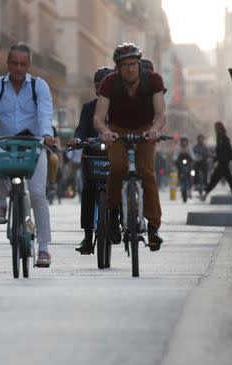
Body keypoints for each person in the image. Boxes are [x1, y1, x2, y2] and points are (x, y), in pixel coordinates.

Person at [0, 43, 58, 266]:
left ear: (29, 65)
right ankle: (2, 202)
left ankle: (43, 248)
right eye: (14, 63)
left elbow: (45, 113)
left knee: (38, 194)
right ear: (8, 63)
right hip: (6, 143)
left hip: (33, 143)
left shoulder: (38, 86)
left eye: (23, 64)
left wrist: (46, 135)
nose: (18, 68)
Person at [93, 43, 167, 251]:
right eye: (125, 65)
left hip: (145, 129)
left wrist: (155, 130)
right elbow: (98, 119)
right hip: (117, 130)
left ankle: (153, 228)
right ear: (117, 67)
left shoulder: (153, 80)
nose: (130, 69)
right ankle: (113, 212)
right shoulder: (109, 83)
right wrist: (105, 132)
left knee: (147, 173)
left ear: (139, 64)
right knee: (117, 168)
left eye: (133, 64)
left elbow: (161, 113)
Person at [69, 66, 114, 254]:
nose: (101, 89)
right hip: (93, 156)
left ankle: (115, 224)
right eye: (98, 86)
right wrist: (77, 139)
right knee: (87, 191)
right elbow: (81, 129)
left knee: (117, 188)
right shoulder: (88, 108)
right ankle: (88, 237)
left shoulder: (120, 108)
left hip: (114, 157)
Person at [202, 122, 232, 200]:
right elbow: (219, 152)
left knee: (215, 179)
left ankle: (205, 194)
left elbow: (229, 150)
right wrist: (215, 159)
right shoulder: (219, 139)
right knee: (228, 179)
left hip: (224, 162)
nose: (216, 130)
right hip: (222, 162)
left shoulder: (225, 139)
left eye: (217, 128)